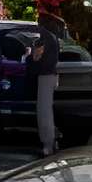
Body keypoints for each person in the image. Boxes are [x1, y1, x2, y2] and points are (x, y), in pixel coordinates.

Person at [30, 20, 61, 157]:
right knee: (47, 109)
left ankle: (48, 144)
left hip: (45, 75)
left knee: (44, 111)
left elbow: (37, 57)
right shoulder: (52, 38)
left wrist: (31, 53)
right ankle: (52, 140)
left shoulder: (44, 39)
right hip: (52, 74)